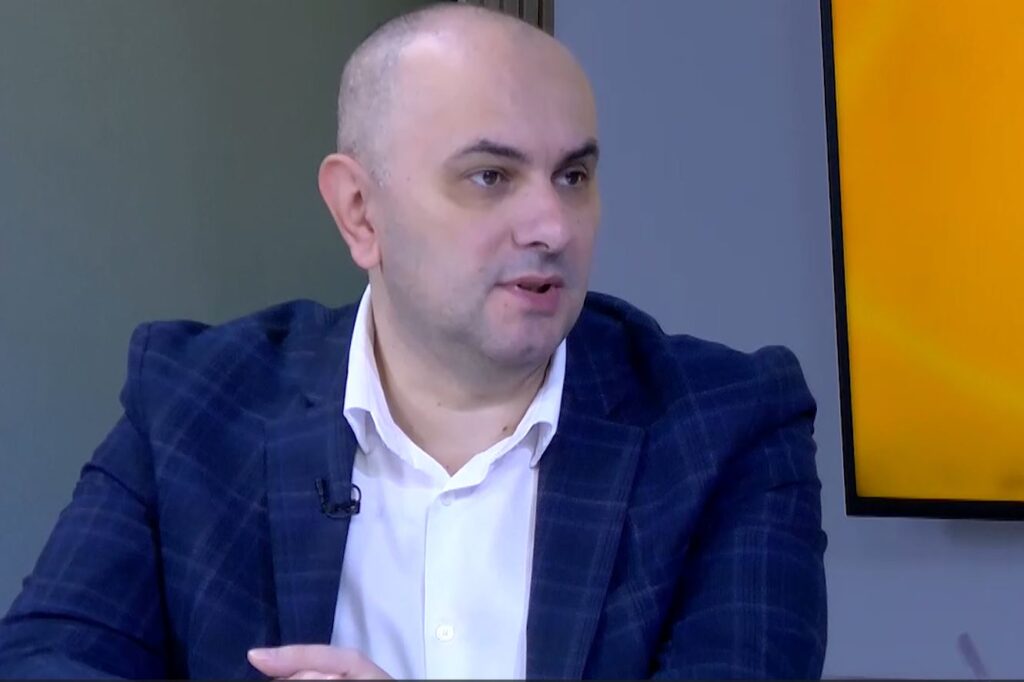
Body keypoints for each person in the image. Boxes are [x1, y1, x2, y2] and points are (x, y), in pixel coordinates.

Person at [0, 3, 827, 679]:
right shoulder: (194, 404)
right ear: (360, 212)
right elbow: (45, 660)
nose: (551, 225)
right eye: (490, 177)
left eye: (573, 176)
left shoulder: (724, 431)